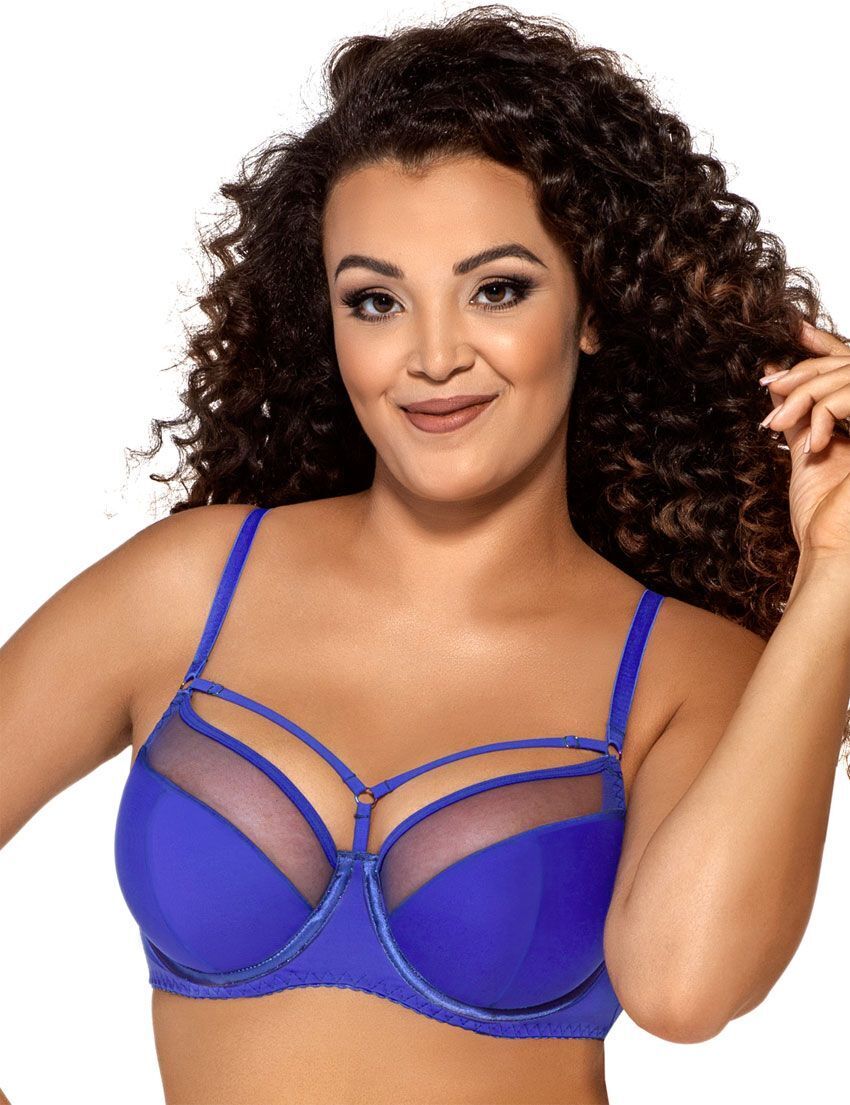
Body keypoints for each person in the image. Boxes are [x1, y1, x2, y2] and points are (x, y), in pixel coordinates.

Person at [2, 6, 849, 1105]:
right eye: (376, 301)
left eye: (497, 289)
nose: (434, 356)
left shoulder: (687, 671)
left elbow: (684, 990)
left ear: (590, 308)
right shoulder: (189, 586)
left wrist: (834, 575)